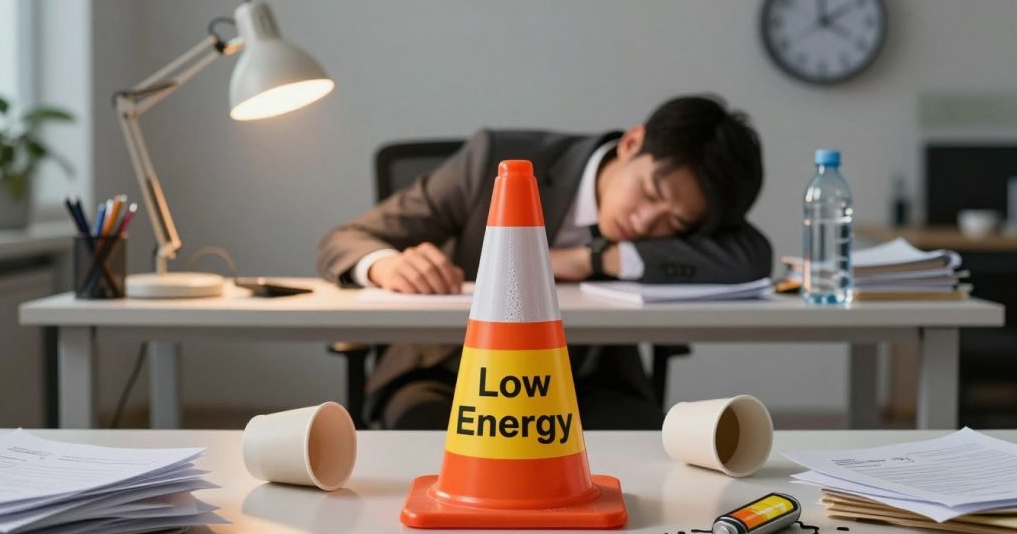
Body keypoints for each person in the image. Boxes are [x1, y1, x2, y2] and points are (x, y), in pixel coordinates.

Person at [316, 95, 771, 430]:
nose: (648, 221)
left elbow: (753, 255)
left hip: (588, 382)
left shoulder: (670, 223)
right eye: (651, 193)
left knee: (644, 453)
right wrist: (385, 266)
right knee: (433, 437)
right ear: (633, 142)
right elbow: (347, 239)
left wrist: (598, 258)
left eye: (676, 221)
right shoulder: (493, 160)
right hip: (450, 372)